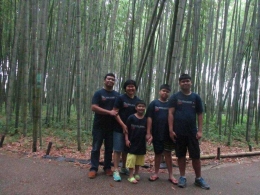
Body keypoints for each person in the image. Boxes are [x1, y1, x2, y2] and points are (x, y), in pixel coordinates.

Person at [168, 73, 210, 190]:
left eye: (187, 81)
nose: (185, 83)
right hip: (178, 131)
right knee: (180, 155)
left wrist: (200, 130)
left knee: (195, 156)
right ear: (179, 83)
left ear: (191, 83)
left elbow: (200, 114)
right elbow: (170, 113)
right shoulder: (175, 97)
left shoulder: (196, 97)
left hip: (192, 132)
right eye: (183, 81)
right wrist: (171, 130)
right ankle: (182, 177)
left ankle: (198, 178)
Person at [88, 73, 120, 179]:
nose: (110, 81)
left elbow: (118, 109)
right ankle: (93, 168)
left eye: (112, 79)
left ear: (114, 82)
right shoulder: (99, 93)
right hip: (99, 125)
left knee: (109, 149)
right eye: (108, 79)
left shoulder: (117, 95)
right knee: (96, 148)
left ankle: (107, 167)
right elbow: (93, 107)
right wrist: (109, 112)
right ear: (104, 80)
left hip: (112, 126)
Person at [146, 84, 177, 184]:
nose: (165, 93)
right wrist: (148, 132)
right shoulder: (154, 103)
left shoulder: (171, 104)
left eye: (167, 91)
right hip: (157, 132)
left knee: (168, 153)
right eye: (163, 91)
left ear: (169, 93)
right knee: (158, 153)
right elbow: (149, 118)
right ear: (159, 91)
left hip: (168, 133)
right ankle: (156, 173)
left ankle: (171, 175)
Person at [112, 79, 140, 181]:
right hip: (119, 128)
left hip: (131, 130)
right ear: (125, 88)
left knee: (126, 150)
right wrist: (123, 125)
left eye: (133, 86)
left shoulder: (138, 100)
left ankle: (124, 167)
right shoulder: (120, 98)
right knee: (118, 149)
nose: (131, 88)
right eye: (128, 86)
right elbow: (115, 112)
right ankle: (116, 170)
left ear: (135, 88)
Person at [125, 100, 147, 184]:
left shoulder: (145, 119)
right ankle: (130, 176)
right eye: (139, 106)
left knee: (139, 159)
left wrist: (149, 138)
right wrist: (126, 139)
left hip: (141, 142)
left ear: (145, 108)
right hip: (132, 142)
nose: (141, 108)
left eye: (143, 106)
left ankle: (136, 173)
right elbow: (126, 129)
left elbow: (148, 131)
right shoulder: (131, 117)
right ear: (136, 108)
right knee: (132, 159)